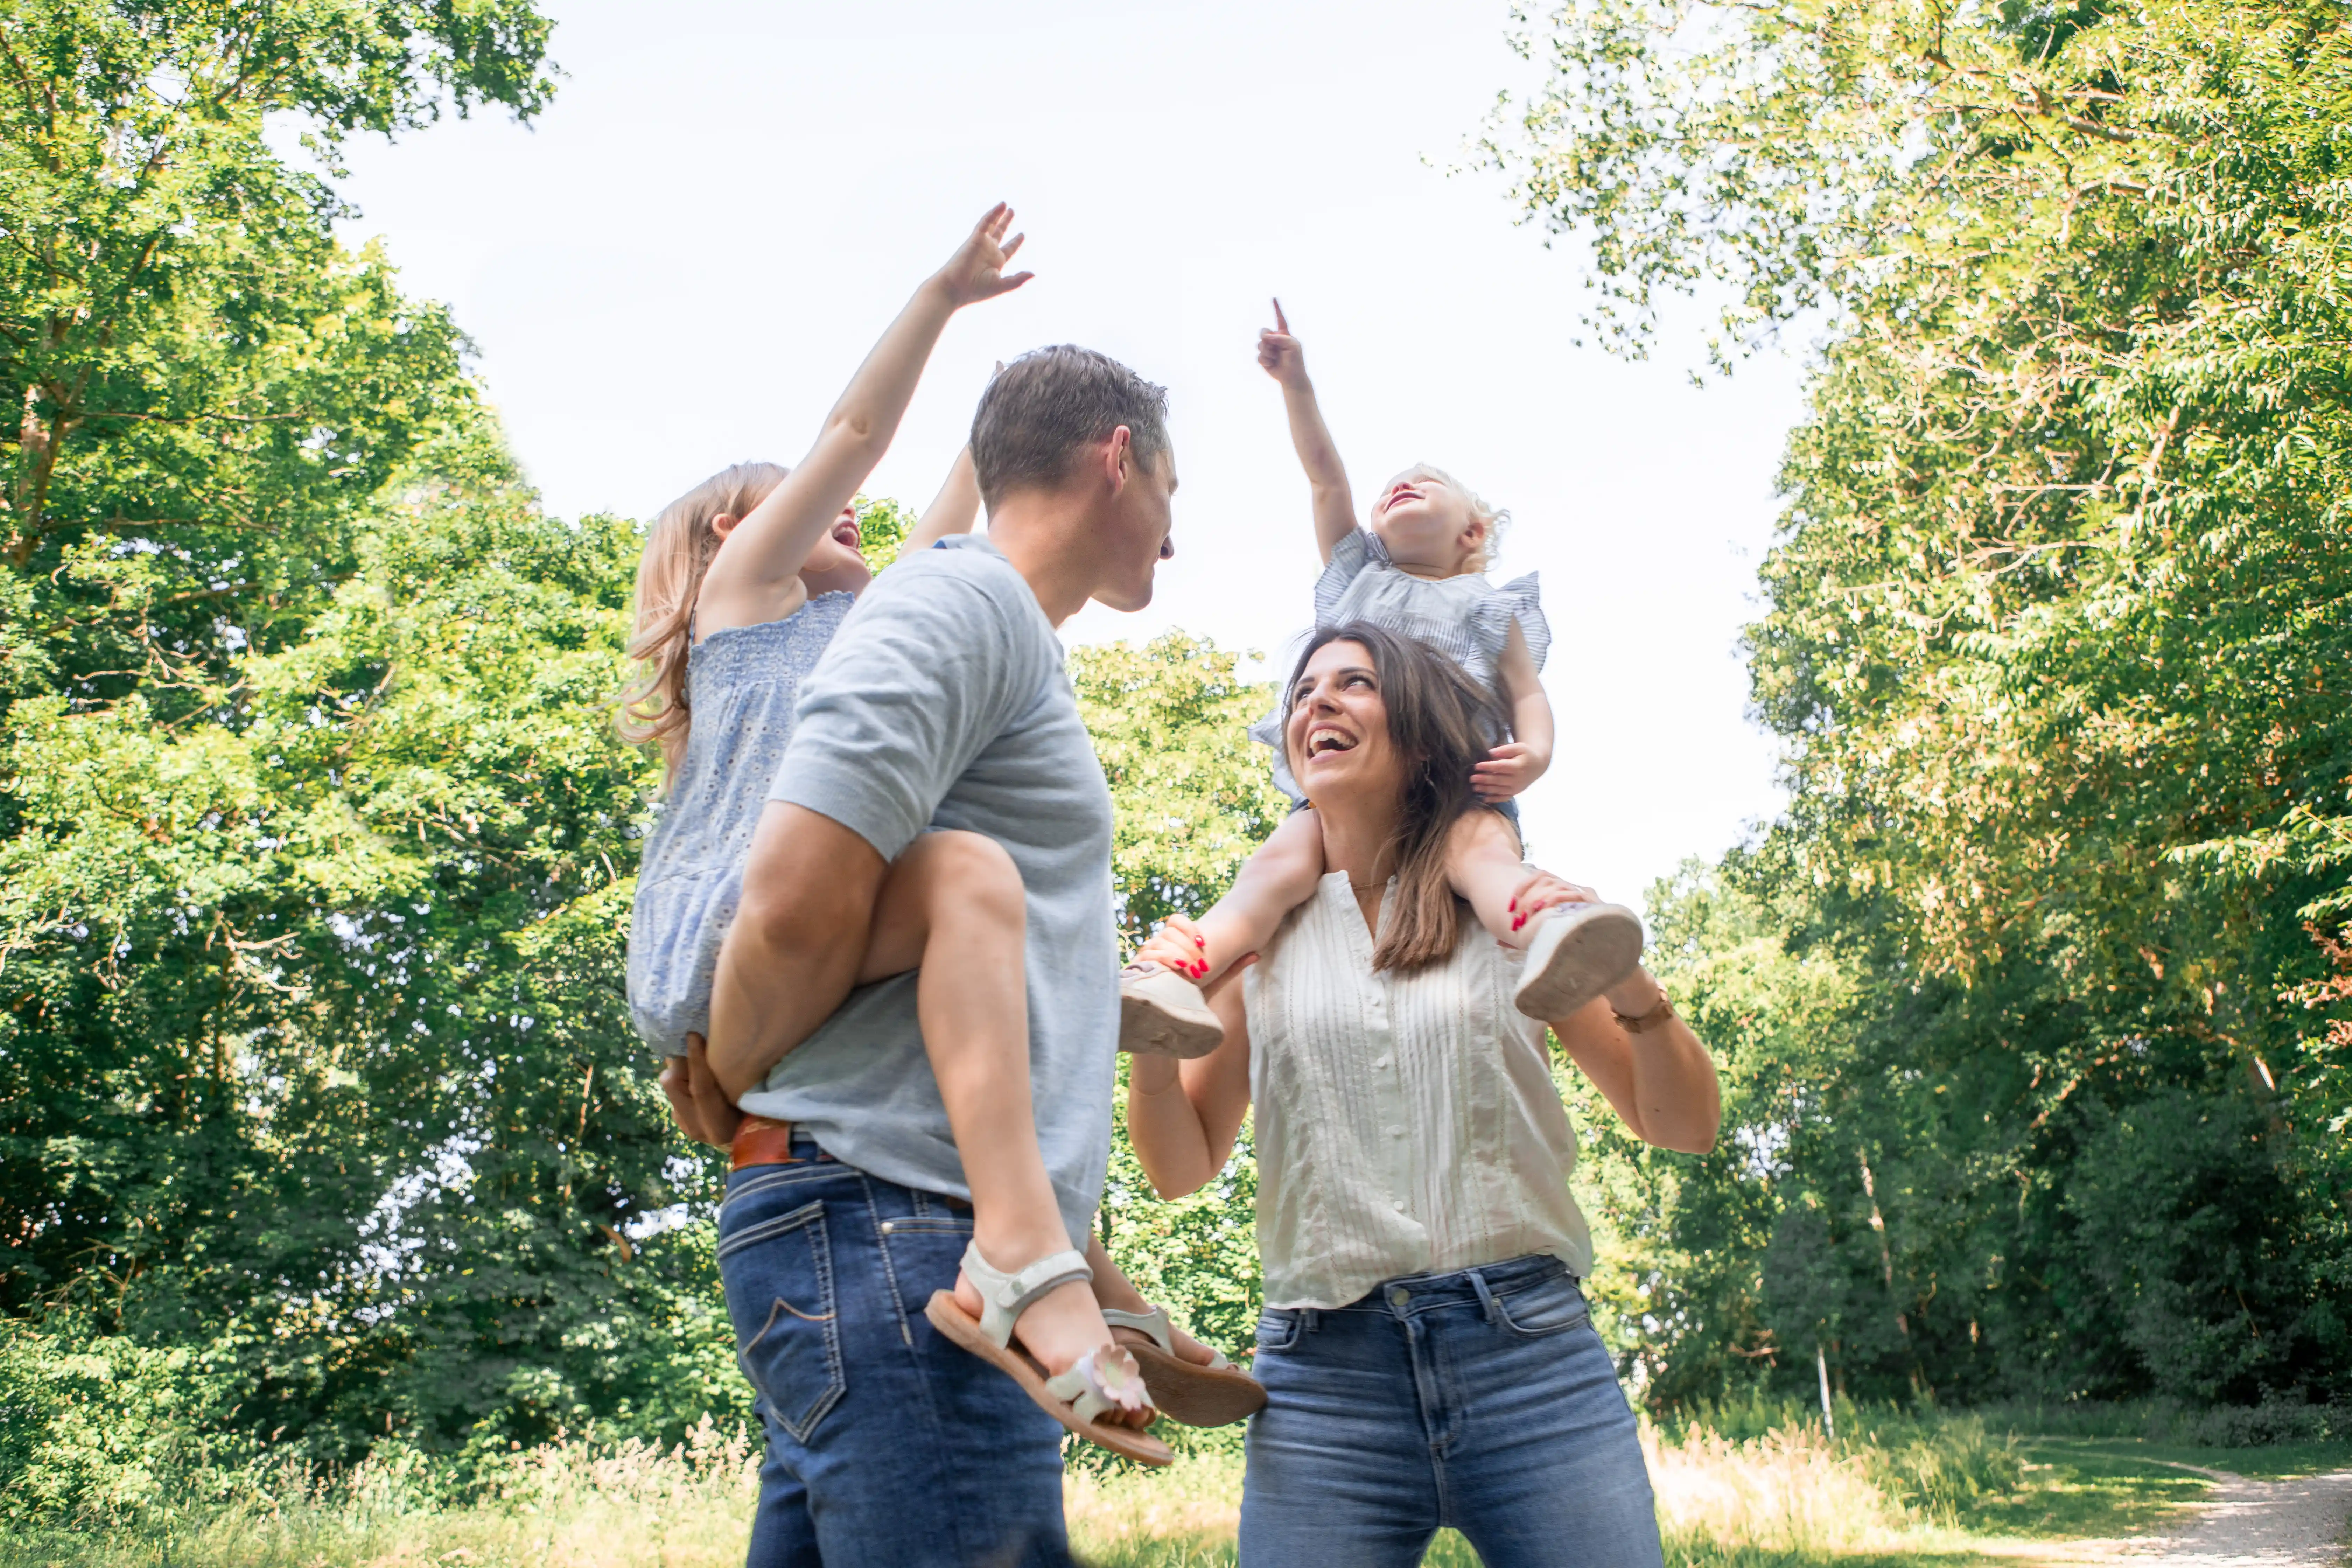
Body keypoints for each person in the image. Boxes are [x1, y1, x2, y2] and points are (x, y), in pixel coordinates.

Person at [659, 335, 1223, 1567]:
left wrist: (1104, 1278)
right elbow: (797, 893)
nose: (1174, 537)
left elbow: (962, 1039)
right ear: (1117, 461)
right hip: (894, 1235)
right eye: (1173, 494)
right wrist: (738, 1071)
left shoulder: (990, 623)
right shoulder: (962, 599)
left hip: (875, 1224)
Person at [1125, 622, 1724, 1568]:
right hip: (1326, 1383)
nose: (1315, 702)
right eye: (1304, 691)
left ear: (1416, 733)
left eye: (1354, 684)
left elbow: (1684, 1126)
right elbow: (1178, 1167)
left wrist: (1634, 988)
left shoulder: (1511, 914)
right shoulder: (1260, 938)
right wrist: (1153, 1051)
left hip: (1529, 1362)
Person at [1120, 303, 1647, 1061]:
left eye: (1426, 486)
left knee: (1485, 857)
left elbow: (1527, 693)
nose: (1401, 487)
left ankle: (1549, 928)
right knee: (1274, 867)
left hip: (1457, 782)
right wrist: (1296, 384)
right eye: (1391, 487)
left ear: (1472, 533)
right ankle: (1178, 966)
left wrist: (1534, 754)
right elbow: (1324, 476)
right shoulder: (1358, 580)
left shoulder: (1487, 606)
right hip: (1349, 787)